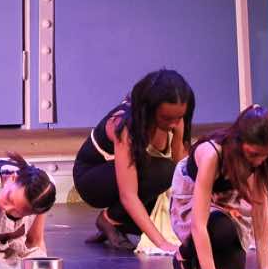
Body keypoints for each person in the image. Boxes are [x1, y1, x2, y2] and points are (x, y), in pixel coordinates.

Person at [71, 69, 195, 252]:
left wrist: (178, 137)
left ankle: (117, 222)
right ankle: (109, 219)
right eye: (167, 118)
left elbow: (181, 169)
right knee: (163, 172)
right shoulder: (125, 125)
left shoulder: (176, 121)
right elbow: (128, 195)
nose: (173, 124)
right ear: (150, 109)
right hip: (92, 178)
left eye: (179, 117)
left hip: (135, 173)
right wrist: (162, 244)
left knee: (168, 185)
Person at [171, 105, 268, 269]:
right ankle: (183, 255)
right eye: (254, 154)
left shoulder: (260, 158)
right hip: (191, 197)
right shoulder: (212, 154)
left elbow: (260, 211)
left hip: (226, 201)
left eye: (264, 155)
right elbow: (199, 223)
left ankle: (203, 262)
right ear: (238, 141)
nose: (258, 161)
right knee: (221, 228)